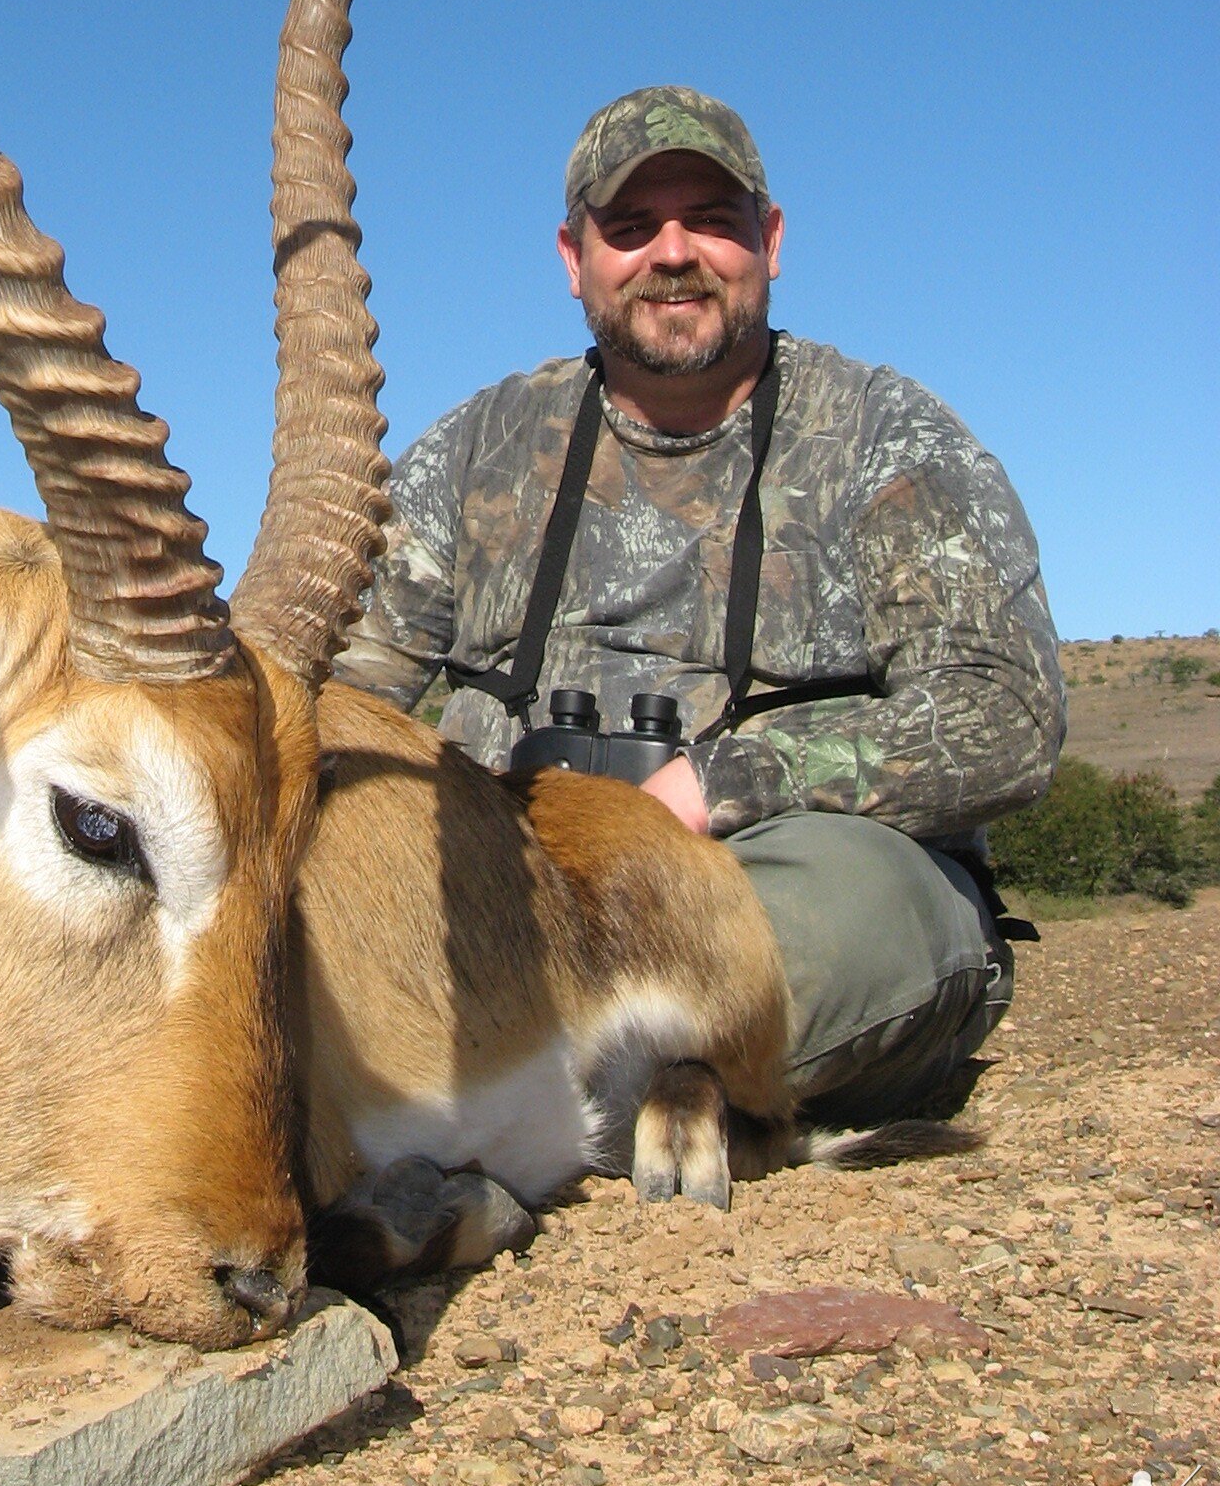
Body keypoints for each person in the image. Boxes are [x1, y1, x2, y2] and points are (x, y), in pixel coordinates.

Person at [333, 86, 1065, 1122]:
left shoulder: (886, 436)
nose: (672, 253)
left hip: (770, 881)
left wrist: (719, 781)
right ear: (573, 257)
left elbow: (1010, 716)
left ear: (769, 240)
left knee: (870, 911)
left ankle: (548, 1080)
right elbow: (334, 687)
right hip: (513, 899)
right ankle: (581, 1083)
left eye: (711, 220)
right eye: (630, 228)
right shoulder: (474, 450)